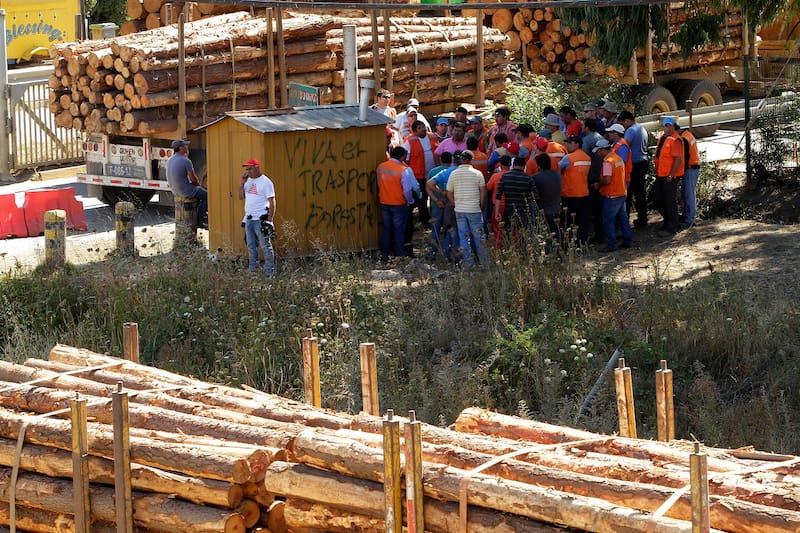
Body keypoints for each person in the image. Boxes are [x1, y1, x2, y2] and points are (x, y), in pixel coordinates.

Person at [446, 150, 489, 267]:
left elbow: (449, 192)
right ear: (471, 160)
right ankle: (485, 263)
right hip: (474, 208)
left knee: (463, 237)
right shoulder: (477, 173)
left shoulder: (454, 174)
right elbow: (483, 191)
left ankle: (468, 263)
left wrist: (454, 203)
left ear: (461, 159)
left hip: (460, 210)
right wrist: (481, 204)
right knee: (479, 237)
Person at [377, 146, 416, 263]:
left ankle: (384, 255)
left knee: (386, 229)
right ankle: (400, 254)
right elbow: (407, 190)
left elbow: (380, 184)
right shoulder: (403, 170)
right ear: (402, 156)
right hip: (399, 203)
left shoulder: (381, 167)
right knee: (399, 230)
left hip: (384, 202)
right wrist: (410, 201)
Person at [238, 158, 276, 275]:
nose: (248, 171)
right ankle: (253, 270)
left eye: (250, 168)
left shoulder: (265, 182)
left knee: (265, 246)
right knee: (251, 246)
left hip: (260, 219)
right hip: (249, 219)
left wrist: (270, 219)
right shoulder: (247, 181)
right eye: (247, 169)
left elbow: (272, 200)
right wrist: (242, 183)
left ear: (257, 167)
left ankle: (269, 272)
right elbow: (240, 196)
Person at [593, 140, 633, 252]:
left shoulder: (607, 162)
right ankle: (628, 241)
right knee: (623, 219)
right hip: (621, 192)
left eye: (599, 151)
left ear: (602, 149)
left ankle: (611, 244)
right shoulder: (618, 158)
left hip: (611, 195)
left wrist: (598, 184)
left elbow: (607, 180)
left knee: (607, 220)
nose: (598, 154)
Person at [403, 119, 439, 227]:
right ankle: (425, 219)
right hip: (419, 175)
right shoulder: (409, 141)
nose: (423, 129)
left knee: (434, 195)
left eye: (423, 126)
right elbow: (406, 159)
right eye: (419, 128)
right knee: (422, 198)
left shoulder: (432, 136)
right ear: (414, 131)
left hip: (433, 173)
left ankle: (435, 217)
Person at [495, 156, 537, 248]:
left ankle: (509, 252)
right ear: (524, 166)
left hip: (508, 210)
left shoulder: (505, 177)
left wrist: (497, 212)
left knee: (508, 233)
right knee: (522, 234)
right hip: (523, 211)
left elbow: (498, 196)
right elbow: (535, 196)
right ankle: (522, 254)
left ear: (513, 165)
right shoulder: (528, 178)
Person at [652, 117, 684, 235]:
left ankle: (673, 227)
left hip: (669, 176)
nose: (667, 128)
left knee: (669, 201)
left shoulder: (675, 140)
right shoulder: (663, 138)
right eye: (665, 126)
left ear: (674, 126)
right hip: (661, 174)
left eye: (669, 126)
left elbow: (678, 159)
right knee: (657, 199)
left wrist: (671, 174)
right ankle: (668, 221)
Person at [558, 135, 592, 245]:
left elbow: (558, 170)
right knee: (583, 220)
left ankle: (569, 242)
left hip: (570, 194)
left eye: (569, 142)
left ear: (577, 144)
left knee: (568, 220)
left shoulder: (568, 158)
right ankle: (582, 241)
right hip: (584, 193)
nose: (567, 145)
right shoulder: (587, 157)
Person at [167, 139, 207, 228]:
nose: (187, 147)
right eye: (185, 146)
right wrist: (199, 186)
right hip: (185, 191)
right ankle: (200, 220)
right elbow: (193, 179)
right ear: (181, 148)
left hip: (175, 191)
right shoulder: (185, 160)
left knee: (199, 193)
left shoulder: (170, 160)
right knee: (207, 196)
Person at [619, 110, 649, 228]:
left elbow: (625, 146)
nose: (623, 126)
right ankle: (643, 218)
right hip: (643, 161)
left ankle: (625, 221)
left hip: (635, 164)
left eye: (623, 123)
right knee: (640, 193)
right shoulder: (641, 128)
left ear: (627, 120)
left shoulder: (631, 130)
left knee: (630, 193)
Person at [426, 152, 458, 259]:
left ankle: (432, 252)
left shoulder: (433, 171)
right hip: (451, 204)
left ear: (440, 159)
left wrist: (436, 199)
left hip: (437, 205)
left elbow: (428, 187)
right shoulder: (454, 171)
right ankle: (447, 252)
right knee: (449, 228)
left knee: (435, 229)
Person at [531, 153, 562, 243]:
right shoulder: (557, 175)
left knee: (544, 233)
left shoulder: (536, 177)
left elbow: (534, 194)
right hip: (556, 207)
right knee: (556, 232)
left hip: (543, 209)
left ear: (539, 165)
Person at [677, 123, 701, 228]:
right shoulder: (687, 134)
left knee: (689, 194)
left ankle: (690, 219)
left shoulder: (684, 139)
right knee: (687, 193)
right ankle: (687, 216)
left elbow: (684, 158)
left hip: (690, 168)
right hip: (693, 167)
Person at [486, 154, 511, 248]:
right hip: (511, 206)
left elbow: (488, 187)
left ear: (500, 164)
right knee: (511, 229)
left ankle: (498, 251)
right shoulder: (512, 175)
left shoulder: (495, 176)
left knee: (497, 230)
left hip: (498, 206)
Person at [606, 123, 632, 187]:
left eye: (610, 132)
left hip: (622, 179)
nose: (608, 134)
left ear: (616, 133)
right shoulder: (616, 144)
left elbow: (621, 163)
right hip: (618, 177)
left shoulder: (622, 145)